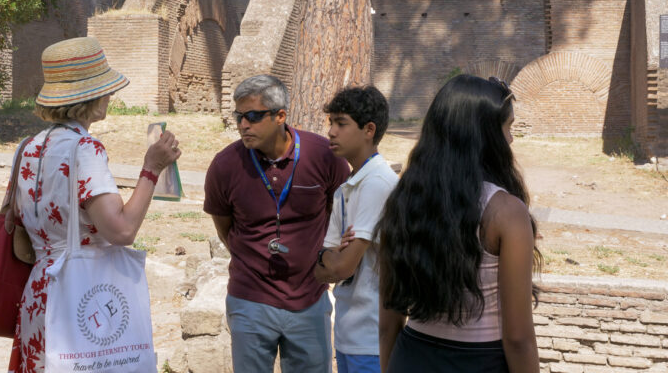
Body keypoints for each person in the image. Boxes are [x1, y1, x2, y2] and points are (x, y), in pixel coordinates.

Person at [8, 37, 181, 372]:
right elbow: (121, 230)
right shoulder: (85, 148)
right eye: (105, 88)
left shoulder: (28, 147)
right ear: (88, 96)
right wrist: (152, 169)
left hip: (40, 291)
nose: (110, 95)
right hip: (82, 293)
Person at [375, 75, 542, 373]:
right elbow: (517, 338)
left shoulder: (402, 201)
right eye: (508, 127)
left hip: (410, 356)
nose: (512, 139)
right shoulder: (506, 213)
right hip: (480, 362)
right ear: (486, 135)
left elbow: (388, 325)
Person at [204, 74, 350, 373]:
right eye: (239, 116)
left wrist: (326, 261)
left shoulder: (324, 156)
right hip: (250, 300)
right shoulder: (225, 165)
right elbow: (225, 228)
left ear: (281, 116)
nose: (243, 124)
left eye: (254, 116)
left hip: (310, 299)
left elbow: (341, 212)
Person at [314, 86, 398, 373]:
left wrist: (333, 258)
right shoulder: (346, 187)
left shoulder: (377, 184)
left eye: (341, 123)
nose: (331, 132)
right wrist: (330, 257)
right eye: (330, 123)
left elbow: (340, 269)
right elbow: (321, 268)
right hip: (350, 335)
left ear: (369, 130)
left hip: (372, 340)